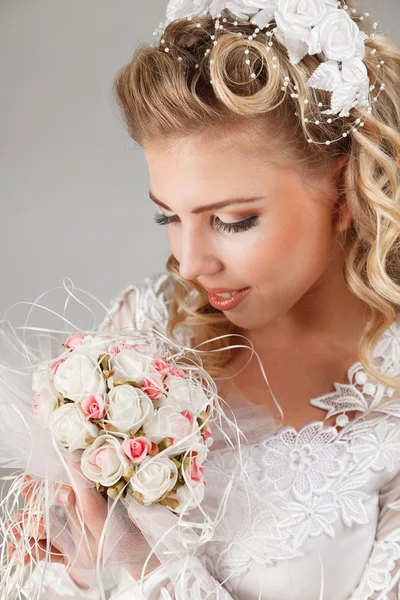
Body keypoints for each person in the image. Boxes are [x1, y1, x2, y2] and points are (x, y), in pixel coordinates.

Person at [5, 0, 400, 598]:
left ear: (344, 192)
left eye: (234, 220)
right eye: (167, 216)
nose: (190, 264)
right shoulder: (145, 326)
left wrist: (147, 570)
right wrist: (62, 564)